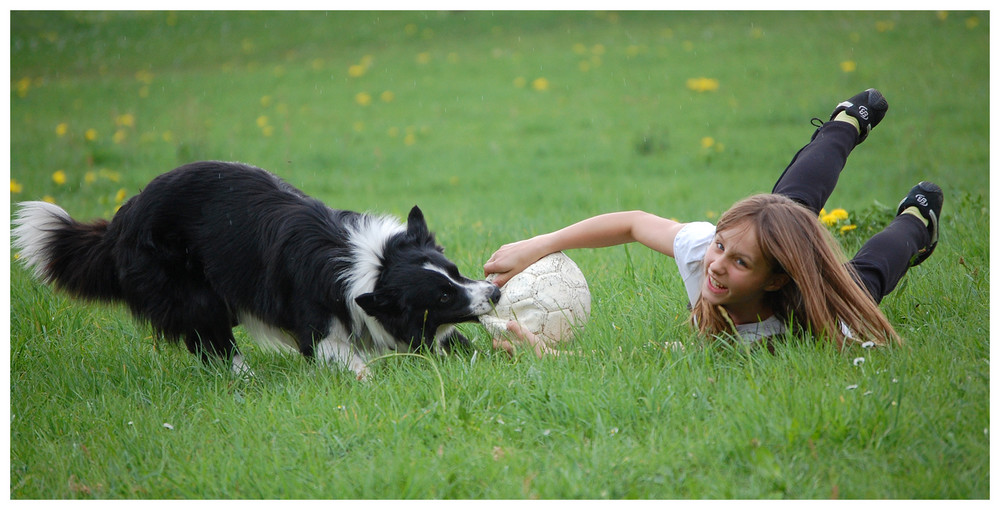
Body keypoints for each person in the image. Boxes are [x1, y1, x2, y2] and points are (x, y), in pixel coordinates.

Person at [483, 89, 943, 355]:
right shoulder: (710, 257)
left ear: (775, 279)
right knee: (792, 203)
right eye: (722, 247)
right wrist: (540, 243)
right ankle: (845, 124)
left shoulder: (804, 331)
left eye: (740, 262)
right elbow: (633, 223)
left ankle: (918, 221)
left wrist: (544, 355)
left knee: (861, 282)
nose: (718, 266)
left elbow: (639, 364)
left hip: (815, 298)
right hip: (775, 246)